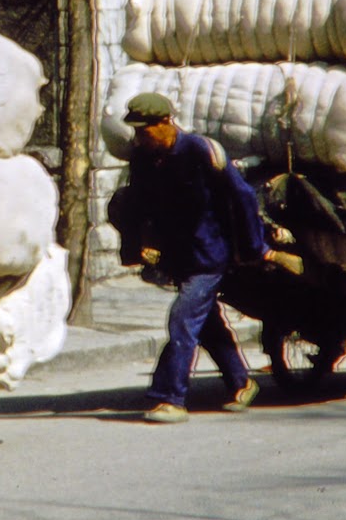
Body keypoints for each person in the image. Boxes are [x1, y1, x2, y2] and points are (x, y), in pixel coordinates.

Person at [112, 92, 290, 424]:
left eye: (144, 130)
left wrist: (255, 248)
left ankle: (169, 397)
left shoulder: (199, 151)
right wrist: (137, 247)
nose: (139, 138)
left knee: (182, 319)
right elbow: (136, 202)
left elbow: (243, 198)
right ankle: (242, 382)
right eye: (135, 132)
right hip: (176, 254)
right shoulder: (144, 157)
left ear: (166, 123)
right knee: (206, 323)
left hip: (210, 252)